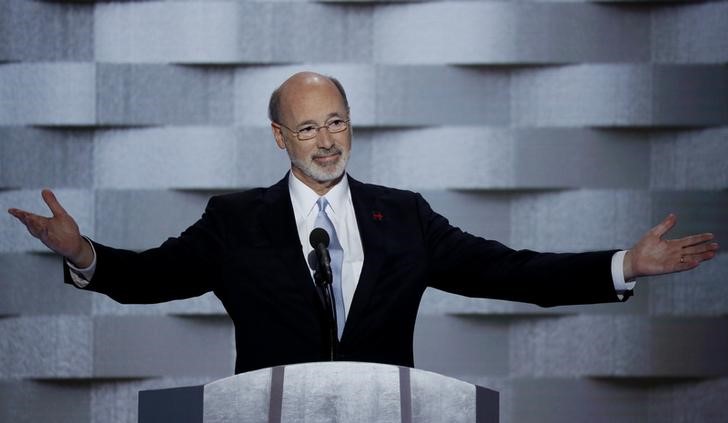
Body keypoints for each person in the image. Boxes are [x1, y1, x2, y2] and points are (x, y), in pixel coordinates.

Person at [8, 72, 719, 374]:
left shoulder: (403, 216)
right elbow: (153, 278)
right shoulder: (235, 222)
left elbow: (509, 269)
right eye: (309, 127)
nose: (327, 139)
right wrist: (84, 251)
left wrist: (623, 263)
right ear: (280, 138)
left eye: (338, 122)